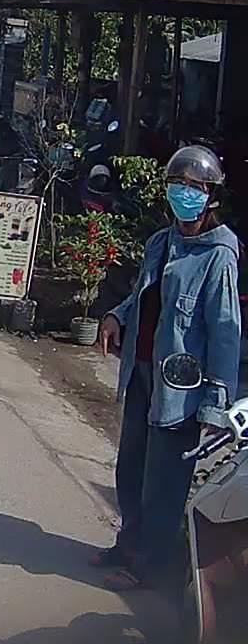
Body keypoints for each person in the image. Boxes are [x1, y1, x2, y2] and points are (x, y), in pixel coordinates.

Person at [96, 145, 242, 591]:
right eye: (177, 184)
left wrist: (215, 404)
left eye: (194, 186)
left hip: (182, 389)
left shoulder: (219, 256)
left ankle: (150, 567)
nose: (184, 192)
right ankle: (128, 544)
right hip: (141, 371)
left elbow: (225, 332)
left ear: (211, 196)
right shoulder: (161, 242)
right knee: (131, 467)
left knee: (163, 482)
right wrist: (116, 315)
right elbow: (144, 294)